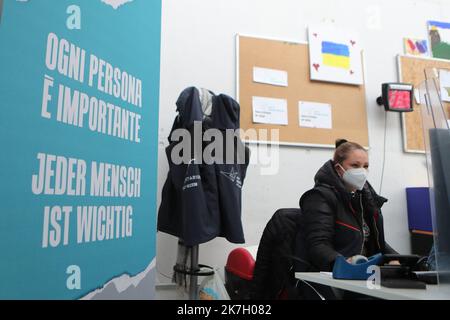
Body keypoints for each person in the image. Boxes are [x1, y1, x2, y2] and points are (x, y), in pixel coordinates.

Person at [295, 139, 398, 276]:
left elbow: (374, 239)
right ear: (339, 169)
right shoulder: (319, 197)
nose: (362, 171)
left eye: (365, 166)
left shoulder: (365, 198)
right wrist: (344, 262)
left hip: (367, 273)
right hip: (335, 275)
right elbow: (318, 245)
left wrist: (396, 259)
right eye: (355, 166)